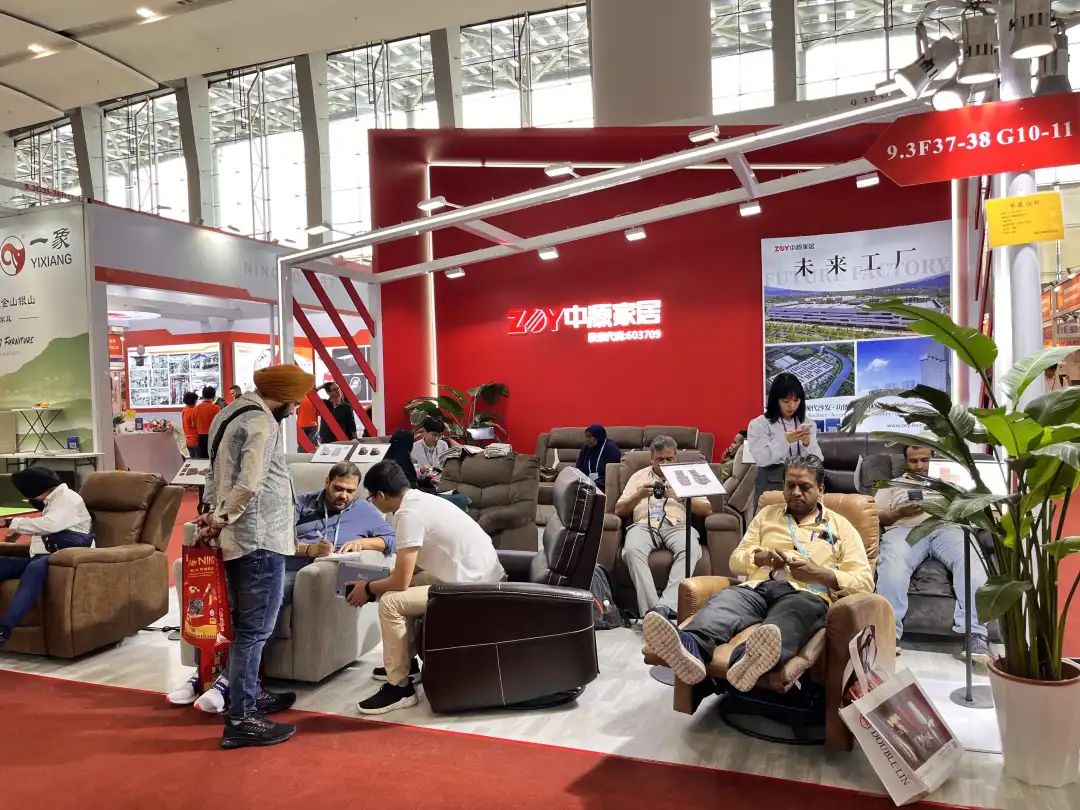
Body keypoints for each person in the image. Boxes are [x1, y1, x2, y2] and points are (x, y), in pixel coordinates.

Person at [167, 460, 394, 710]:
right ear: (327, 482)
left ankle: (223, 682)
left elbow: (391, 539)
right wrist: (308, 549)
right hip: (276, 564)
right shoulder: (302, 503)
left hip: (305, 575)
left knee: (263, 605)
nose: (344, 496)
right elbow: (275, 537)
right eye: (338, 488)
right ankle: (202, 676)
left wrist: (364, 543)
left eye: (350, 491)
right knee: (220, 602)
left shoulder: (363, 510)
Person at [643, 455, 873, 691]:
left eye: (804, 487)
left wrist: (820, 574)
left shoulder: (840, 526)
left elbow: (864, 582)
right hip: (757, 588)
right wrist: (759, 557)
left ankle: (746, 660)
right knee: (725, 602)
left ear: (820, 489)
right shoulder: (766, 515)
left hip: (805, 594)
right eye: (790, 486)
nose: (795, 493)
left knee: (791, 616)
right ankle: (690, 646)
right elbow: (735, 561)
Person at [197, 363, 313, 749]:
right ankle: (242, 718)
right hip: (260, 538)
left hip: (239, 538)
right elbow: (248, 484)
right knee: (255, 630)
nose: (298, 407)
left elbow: (214, 472)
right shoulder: (263, 423)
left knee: (245, 626)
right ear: (284, 394)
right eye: (297, 400)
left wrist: (212, 514)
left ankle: (250, 694)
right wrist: (220, 518)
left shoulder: (228, 412)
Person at [346, 461, 505, 714]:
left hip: (475, 587)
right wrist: (375, 583)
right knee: (399, 590)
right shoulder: (421, 500)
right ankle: (406, 666)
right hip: (480, 575)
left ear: (381, 495)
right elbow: (410, 572)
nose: (372, 502)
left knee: (390, 602)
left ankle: (399, 688)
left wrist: (368, 588)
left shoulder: (408, 515)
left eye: (371, 497)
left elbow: (400, 581)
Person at [875, 445, 990, 662]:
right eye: (913, 461)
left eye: (924, 460)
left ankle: (976, 634)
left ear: (934, 458)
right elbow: (876, 515)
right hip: (905, 529)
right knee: (892, 564)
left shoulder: (951, 481)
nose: (919, 466)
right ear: (906, 462)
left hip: (946, 529)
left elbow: (973, 509)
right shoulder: (893, 485)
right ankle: (888, 633)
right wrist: (899, 512)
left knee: (970, 559)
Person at [615, 434, 712, 621]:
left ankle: (665, 606)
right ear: (651, 458)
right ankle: (652, 613)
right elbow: (619, 510)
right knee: (631, 551)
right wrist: (638, 496)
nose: (665, 463)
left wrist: (682, 497)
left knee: (691, 549)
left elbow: (707, 510)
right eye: (660, 459)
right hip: (644, 525)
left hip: (677, 525)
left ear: (676, 457)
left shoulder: (686, 476)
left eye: (669, 459)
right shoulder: (638, 476)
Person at [0, 467, 94, 650]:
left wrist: (11, 522)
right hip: (43, 556)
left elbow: (50, 525)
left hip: (65, 559)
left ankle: (4, 630)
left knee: (35, 568)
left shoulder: (67, 499)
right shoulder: (53, 501)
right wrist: (19, 530)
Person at [747, 372, 823, 506]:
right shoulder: (759, 424)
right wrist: (786, 441)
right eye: (786, 401)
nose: (791, 406)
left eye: (796, 400)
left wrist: (807, 443)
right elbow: (761, 458)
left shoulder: (807, 423)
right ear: (775, 400)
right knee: (771, 518)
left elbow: (818, 460)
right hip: (772, 483)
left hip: (803, 485)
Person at [575, 423, 621, 491]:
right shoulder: (586, 448)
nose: (587, 439)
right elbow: (579, 468)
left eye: (589, 437)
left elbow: (612, 473)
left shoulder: (611, 449)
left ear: (598, 437)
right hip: (587, 483)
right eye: (586, 437)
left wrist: (595, 483)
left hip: (604, 484)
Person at [194, 386, 222, 459]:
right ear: (214, 396)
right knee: (213, 458)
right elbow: (218, 423)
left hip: (200, 437)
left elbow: (194, 424)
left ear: (203, 395)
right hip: (212, 436)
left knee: (203, 458)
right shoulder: (216, 408)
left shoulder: (196, 408)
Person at [181, 391, 199, 458]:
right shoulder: (194, 410)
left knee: (193, 459)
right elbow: (195, 425)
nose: (197, 401)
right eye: (196, 400)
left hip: (188, 440)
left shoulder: (184, 410)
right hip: (195, 440)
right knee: (199, 461)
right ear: (194, 401)